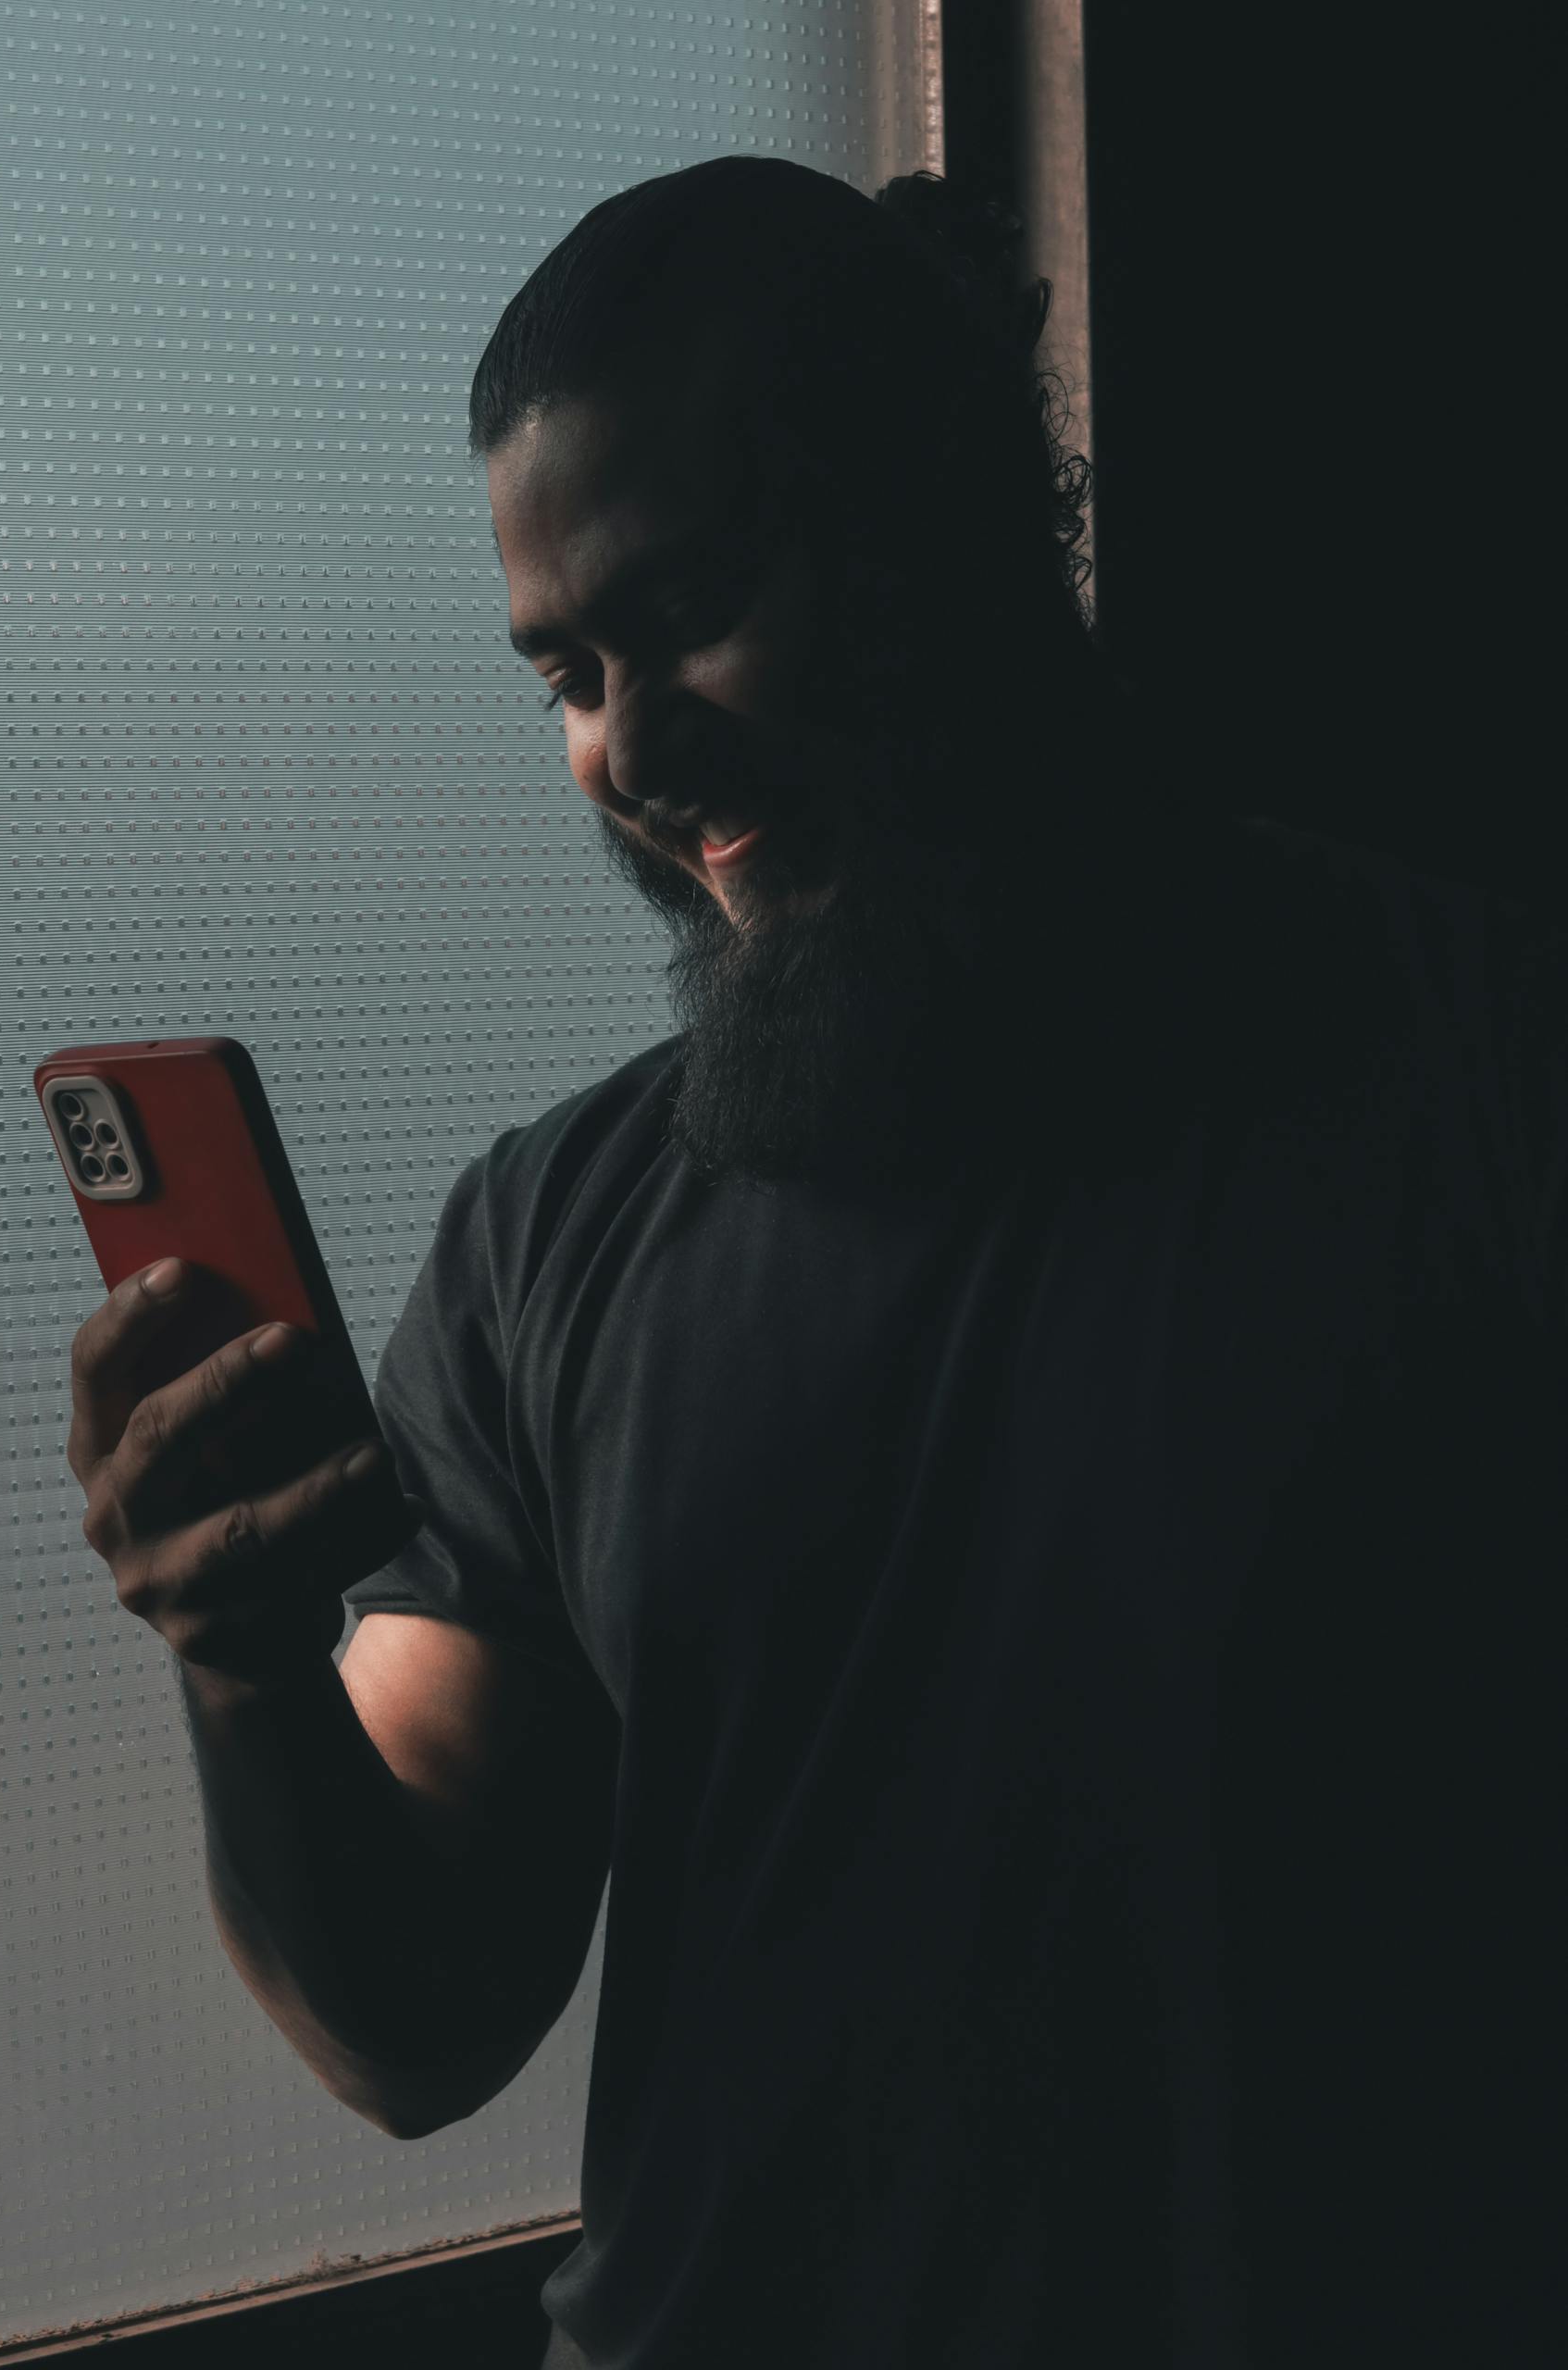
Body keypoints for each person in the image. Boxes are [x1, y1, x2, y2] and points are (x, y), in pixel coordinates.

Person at [338, 159, 1567, 2366]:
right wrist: (233, 1635)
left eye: (692, 599)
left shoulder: (1477, 1080)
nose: (625, 743)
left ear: (949, 507)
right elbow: (411, 2013)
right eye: (563, 671)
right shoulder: (544, 1241)